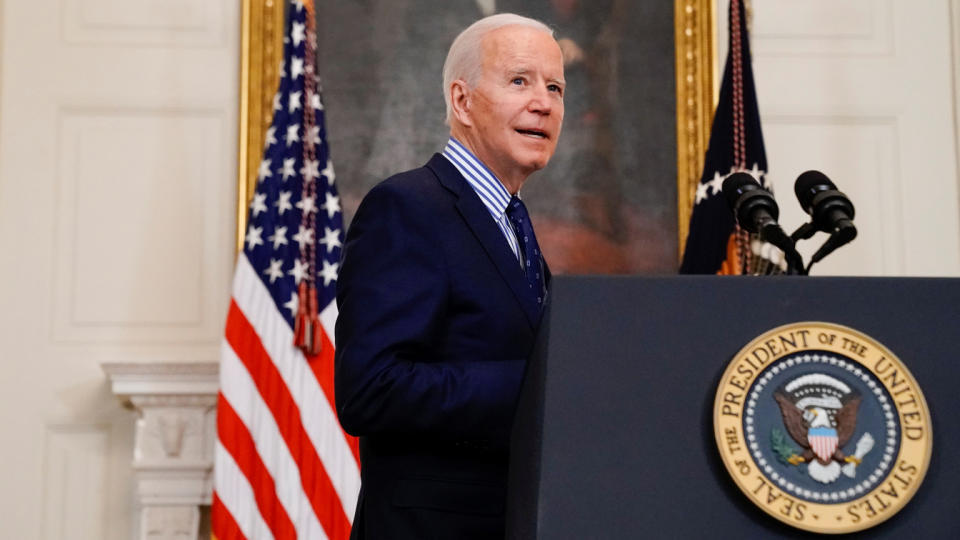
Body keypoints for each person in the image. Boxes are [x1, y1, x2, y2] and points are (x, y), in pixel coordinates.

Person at [334, 12, 565, 540]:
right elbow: (370, 388)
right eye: (519, 81)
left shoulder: (513, 221)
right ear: (462, 102)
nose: (544, 103)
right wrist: (537, 387)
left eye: (555, 87)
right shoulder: (406, 207)